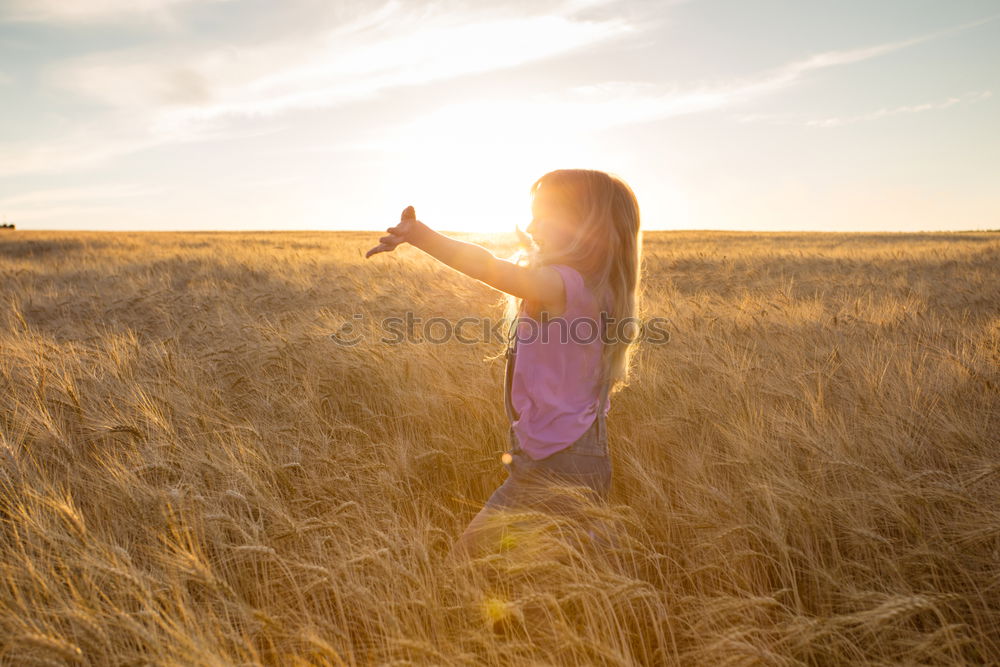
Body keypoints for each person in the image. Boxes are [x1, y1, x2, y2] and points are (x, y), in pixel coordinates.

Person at [366, 169, 643, 562]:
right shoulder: (591, 287)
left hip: (558, 460)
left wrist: (421, 236)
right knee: (565, 575)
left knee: (464, 565)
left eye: (542, 215)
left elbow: (488, 266)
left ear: (580, 225)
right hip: (574, 453)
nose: (530, 226)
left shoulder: (564, 284)